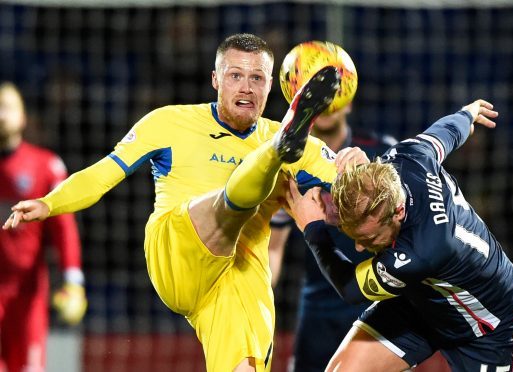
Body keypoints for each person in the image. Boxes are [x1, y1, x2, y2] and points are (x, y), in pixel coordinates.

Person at [2, 34, 362, 372]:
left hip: (238, 276)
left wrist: (361, 165)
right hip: (177, 247)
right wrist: (51, 203)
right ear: (215, 80)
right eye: (235, 75)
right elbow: (103, 173)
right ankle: (275, 155)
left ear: (272, 85)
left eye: (257, 78)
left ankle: (275, 153)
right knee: (229, 204)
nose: (246, 87)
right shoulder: (168, 122)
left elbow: (368, 190)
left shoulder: (308, 147)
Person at [285, 99, 513, 372]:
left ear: (399, 212)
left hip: (484, 326)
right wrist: (467, 114)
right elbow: (446, 132)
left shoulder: (424, 250)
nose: (359, 247)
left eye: (369, 239)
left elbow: (351, 288)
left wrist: (314, 229)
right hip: (418, 301)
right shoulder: (408, 157)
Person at [268, 103, 396, 372]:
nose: (325, 103)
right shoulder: (288, 163)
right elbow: (273, 249)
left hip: (379, 299)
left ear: (349, 99)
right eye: (318, 91)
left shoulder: (380, 151)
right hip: (319, 307)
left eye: (333, 93)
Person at [0, 82, 87, 372]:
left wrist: (73, 281)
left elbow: (64, 229)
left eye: (8, 106)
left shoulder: (45, 165)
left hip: (28, 296)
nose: (1, 114)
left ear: (23, 117)